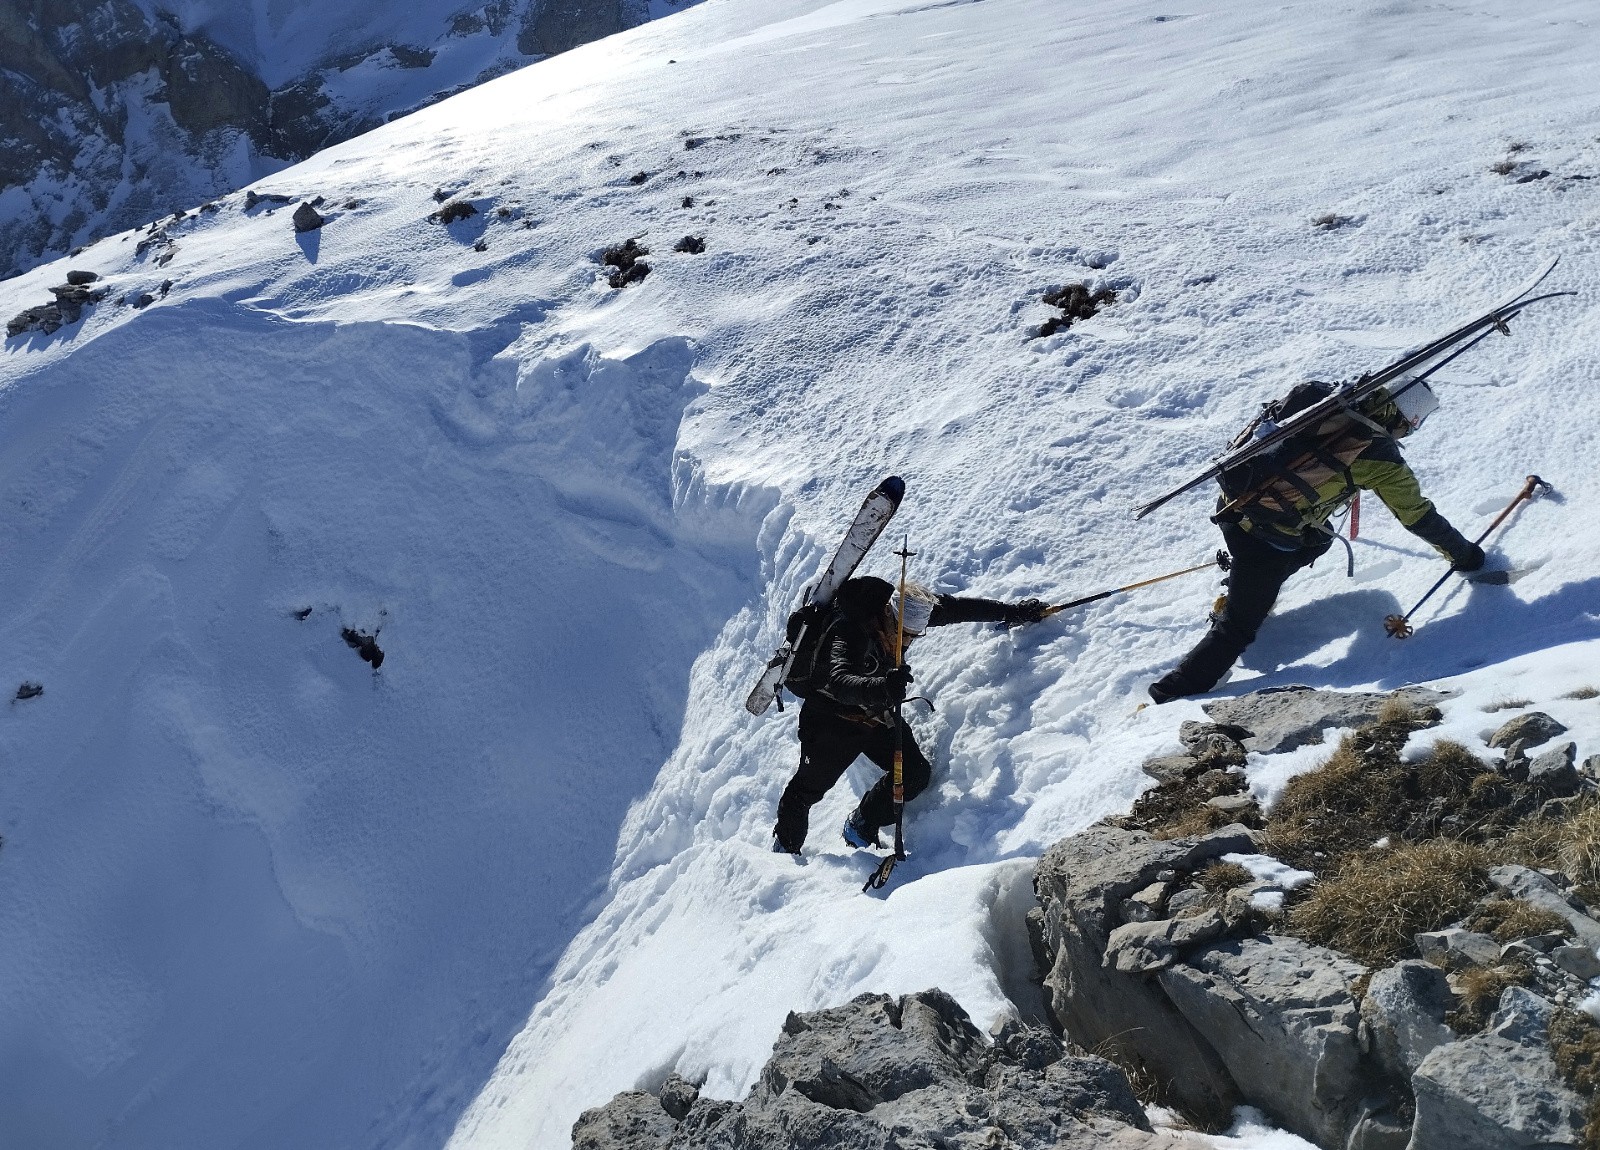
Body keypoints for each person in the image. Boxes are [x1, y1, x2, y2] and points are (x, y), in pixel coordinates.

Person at [1148, 380, 1483, 704]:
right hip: (1266, 541)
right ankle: (1174, 693)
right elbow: (1417, 516)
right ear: (1400, 419)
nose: (1407, 432)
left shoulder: (1331, 402)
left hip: (1232, 505)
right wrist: (1465, 555)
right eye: (1410, 426)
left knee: (1319, 539)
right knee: (1238, 626)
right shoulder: (1379, 456)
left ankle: (1246, 584)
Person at [772, 576, 1050, 854]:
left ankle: (861, 824)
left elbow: (958, 609)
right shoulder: (849, 630)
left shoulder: (911, 612)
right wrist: (882, 687)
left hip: (877, 714)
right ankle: (785, 850)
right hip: (831, 722)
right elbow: (839, 680)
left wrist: (1013, 612)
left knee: (913, 774)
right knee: (804, 793)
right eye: (903, 632)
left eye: (913, 636)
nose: (906, 639)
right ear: (889, 614)